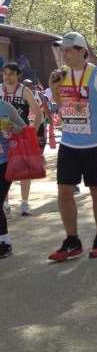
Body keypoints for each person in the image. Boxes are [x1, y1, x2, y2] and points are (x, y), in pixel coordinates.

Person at [47, 32, 97, 260]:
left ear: (82, 51)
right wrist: (54, 87)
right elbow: (63, 109)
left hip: (96, 144)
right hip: (69, 143)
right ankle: (72, 240)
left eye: (69, 50)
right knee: (64, 191)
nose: (64, 54)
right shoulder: (60, 76)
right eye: (63, 50)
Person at [2, 65, 45, 216]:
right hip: (3, 136)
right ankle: (4, 203)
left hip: (20, 134)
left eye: (11, 74)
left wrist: (31, 132)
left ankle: (25, 203)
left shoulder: (24, 91)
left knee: (24, 170)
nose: (7, 77)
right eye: (5, 74)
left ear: (18, 75)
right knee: (4, 169)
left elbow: (39, 114)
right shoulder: (0, 89)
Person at [0, 99, 27, 258]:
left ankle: (5, 242)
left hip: (4, 163)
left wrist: (12, 128)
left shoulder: (5, 106)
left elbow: (24, 129)